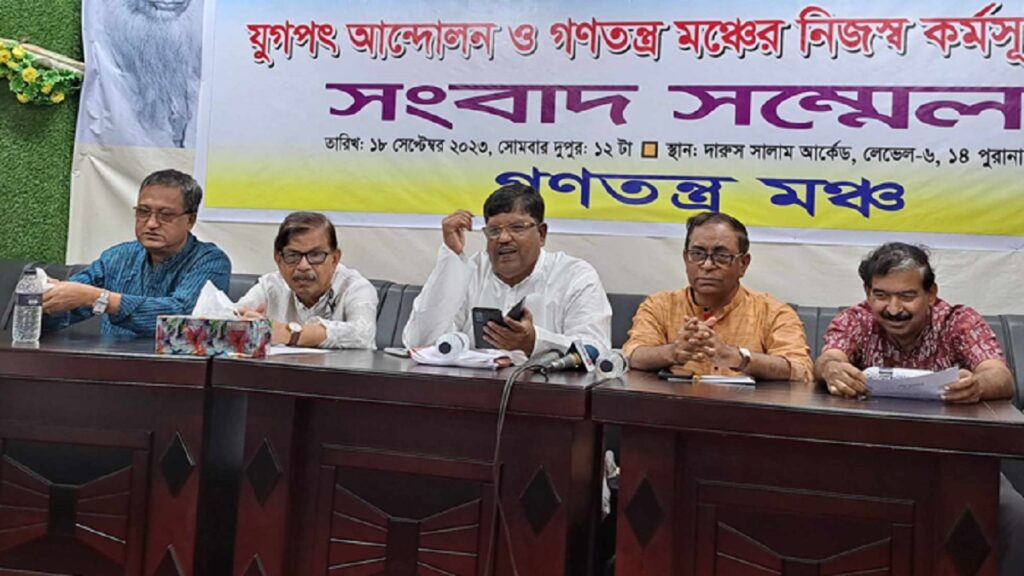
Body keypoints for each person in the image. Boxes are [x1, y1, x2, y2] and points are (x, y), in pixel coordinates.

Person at [816, 242, 1023, 576]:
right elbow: (829, 358)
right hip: (872, 454)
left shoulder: (958, 321)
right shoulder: (856, 319)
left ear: (931, 294)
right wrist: (831, 369)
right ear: (868, 293)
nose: (893, 308)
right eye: (881, 295)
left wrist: (977, 385)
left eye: (907, 296)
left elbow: (999, 376)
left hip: (954, 458)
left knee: (1014, 516)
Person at [402, 183, 611, 357]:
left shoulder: (575, 276)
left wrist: (535, 342)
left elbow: (596, 350)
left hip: (546, 391)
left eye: (517, 228)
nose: (503, 238)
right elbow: (420, 342)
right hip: (470, 388)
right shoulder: (472, 272)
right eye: (494, 230)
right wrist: (451, 257)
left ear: (541, 233)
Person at [623, 212, 812, 381]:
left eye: (721, 256)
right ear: (686, 258)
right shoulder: (659, 305)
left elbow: (800, 370)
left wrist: (737, 357)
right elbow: (631, 355)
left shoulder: (773, 312)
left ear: (743, 264)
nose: (707, 265)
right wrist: (673, 352)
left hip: (745, 408)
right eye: (697, 254)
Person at [42, 169, 230, 336]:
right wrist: (46, 294)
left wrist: (100, 298)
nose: (151, 223)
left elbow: (182, 317)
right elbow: (72, 302)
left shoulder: (211, 261)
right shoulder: (117, 257)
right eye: (143, 212)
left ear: (190, 220)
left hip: (174, 364)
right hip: (111, 361)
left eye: (165, 215)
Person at [235, 212, 377, 349]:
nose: (303, 266)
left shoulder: (356, 288)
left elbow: (363, 334)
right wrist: (242, 323)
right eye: (292, 255)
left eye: (316, 255)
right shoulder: (269, 287)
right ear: (278, 259)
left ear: (335, 259)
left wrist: (287, 333)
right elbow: (230, 316)